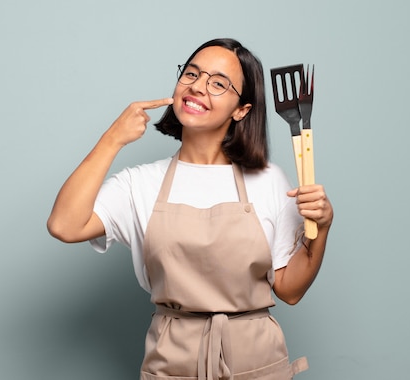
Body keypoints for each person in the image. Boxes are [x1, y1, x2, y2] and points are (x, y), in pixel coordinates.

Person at [47, 37, 333, 379]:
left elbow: (289, 289)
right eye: (192, 74)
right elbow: (64, 225)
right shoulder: (140, 184)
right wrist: (113, 139)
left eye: (218, 84)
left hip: (257, 361)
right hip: (173, 362)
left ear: (242, 109)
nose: (198, 87)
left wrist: (323, 227)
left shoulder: (269, 180)